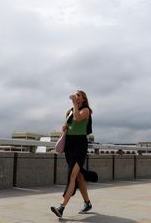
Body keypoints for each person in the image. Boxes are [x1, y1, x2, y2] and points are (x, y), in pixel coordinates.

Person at [51, 90, 93, 218]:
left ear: (83, 99)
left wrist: (75, 104)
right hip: (69, 145)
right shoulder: (69, 111)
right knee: (79, 176)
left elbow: (78, 118)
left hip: (80, 144)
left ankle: (61, 207)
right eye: (75, 96)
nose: (76, 97)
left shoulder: (86, 110)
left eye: (78, 95)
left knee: (72, 176)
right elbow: (68, 125)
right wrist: (64, 127)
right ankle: (87, 203)